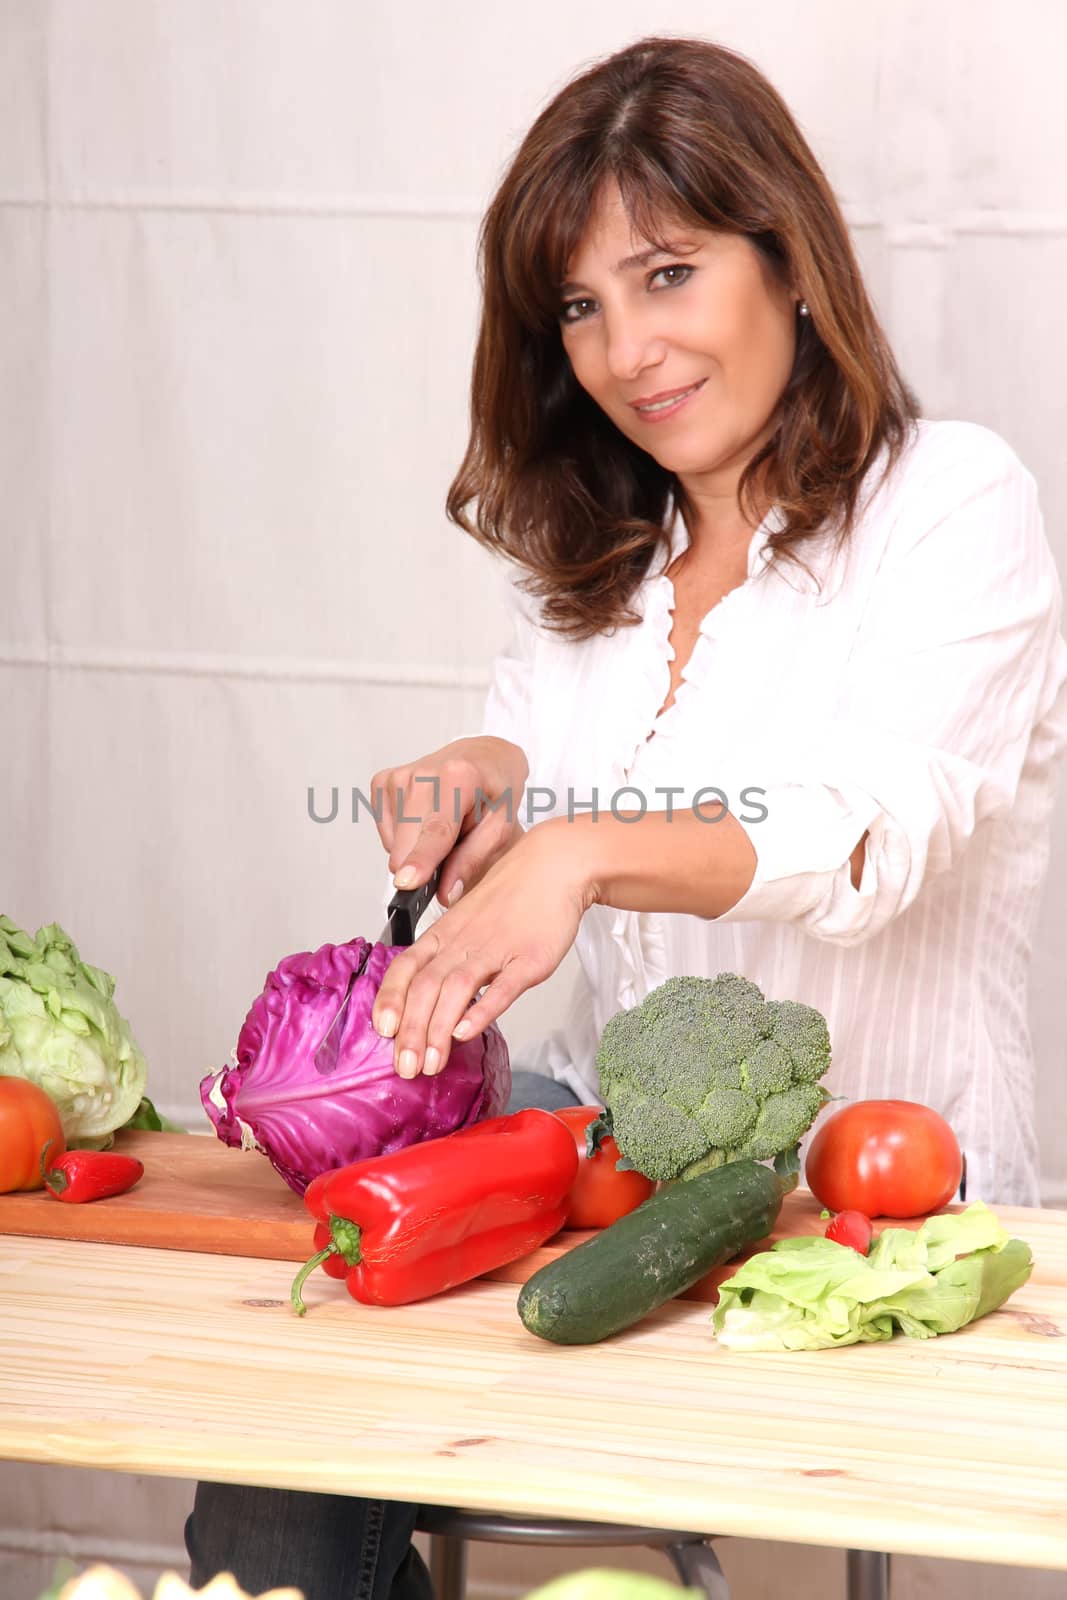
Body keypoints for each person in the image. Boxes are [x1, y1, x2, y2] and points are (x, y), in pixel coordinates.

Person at [186, 33, 1067, 1600]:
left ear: (790, 260)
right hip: (621, 1174)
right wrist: (489, 774)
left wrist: (584, 853)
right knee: (289, 1363)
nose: (623, 349)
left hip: (877, 1200)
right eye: (581, 306)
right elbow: (535, 751)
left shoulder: (955, 504)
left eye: (666, 275)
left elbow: (872, 835)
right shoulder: (608, 560)